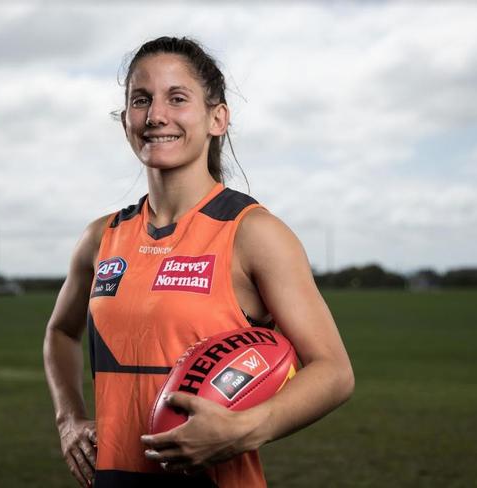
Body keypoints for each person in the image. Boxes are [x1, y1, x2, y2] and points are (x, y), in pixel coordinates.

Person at [43, 36, 354, 488]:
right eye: (140, 100)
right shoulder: (101, 238)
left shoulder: (253, 233)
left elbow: (333, 372)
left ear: (217, 118)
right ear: (125, 118)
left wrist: (246, 429)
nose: (155, 116)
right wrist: (69, 419)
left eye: (177, 98)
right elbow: (60, 332)